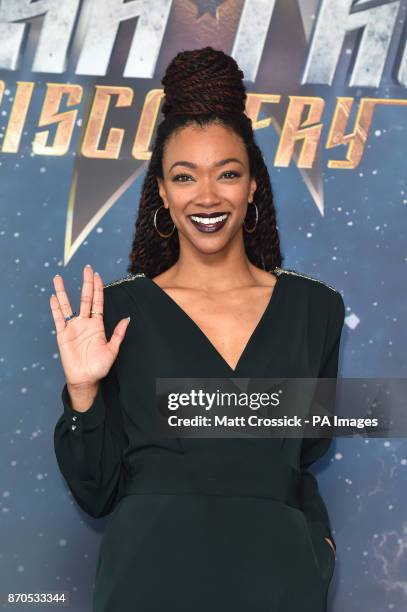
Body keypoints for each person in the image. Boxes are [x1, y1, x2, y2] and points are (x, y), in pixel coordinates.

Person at [51, 46, 345, 612]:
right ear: (162, 191)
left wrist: (317, 549)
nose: (207, 197)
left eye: (227, 174)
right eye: (184, 177)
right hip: (149, 582)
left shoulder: (316, 309)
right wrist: (84, 394)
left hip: (277, 584)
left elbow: (305, 454)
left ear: (253, 184)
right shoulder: (111, 314)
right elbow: (97, 492)